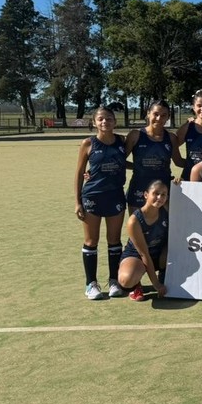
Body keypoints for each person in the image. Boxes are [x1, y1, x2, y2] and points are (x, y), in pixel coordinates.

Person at [74, 106, 127, 300]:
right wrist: (77, 202)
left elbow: (127, 161)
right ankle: (91, 284)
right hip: (92, 196)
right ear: (94, 122)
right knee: (91, 241)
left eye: (109, 119)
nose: (105, 122)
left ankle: (114, 281)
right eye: (101, 119)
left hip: (115, 195)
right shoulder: (88, 143)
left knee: (114, 240)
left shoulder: (122, 141)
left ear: (115, 121)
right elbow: (79, 173)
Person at [124, 100, 185, 213]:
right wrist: (138, 167)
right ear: (148, 113)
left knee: (163, 229)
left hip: (163, 190)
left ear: (168, 117)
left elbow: (179, 162)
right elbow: (120, 161)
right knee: (138, 227)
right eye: (155, 114)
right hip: (139, 188)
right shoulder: (135, 135)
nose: (159, 118)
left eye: (163, 115)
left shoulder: (171, 138)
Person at [117, 180, 169, 302]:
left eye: (163, 194)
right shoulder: (134, 221)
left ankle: (164, 277)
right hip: (138, 256)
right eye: (155, 193)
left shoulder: (166, 209)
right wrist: (156, 285)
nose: (159, 198)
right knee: (126, 279)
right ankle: (136, 286)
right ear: (146, 195)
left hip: (159, 254)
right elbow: (144, 254)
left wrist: (178, 181)